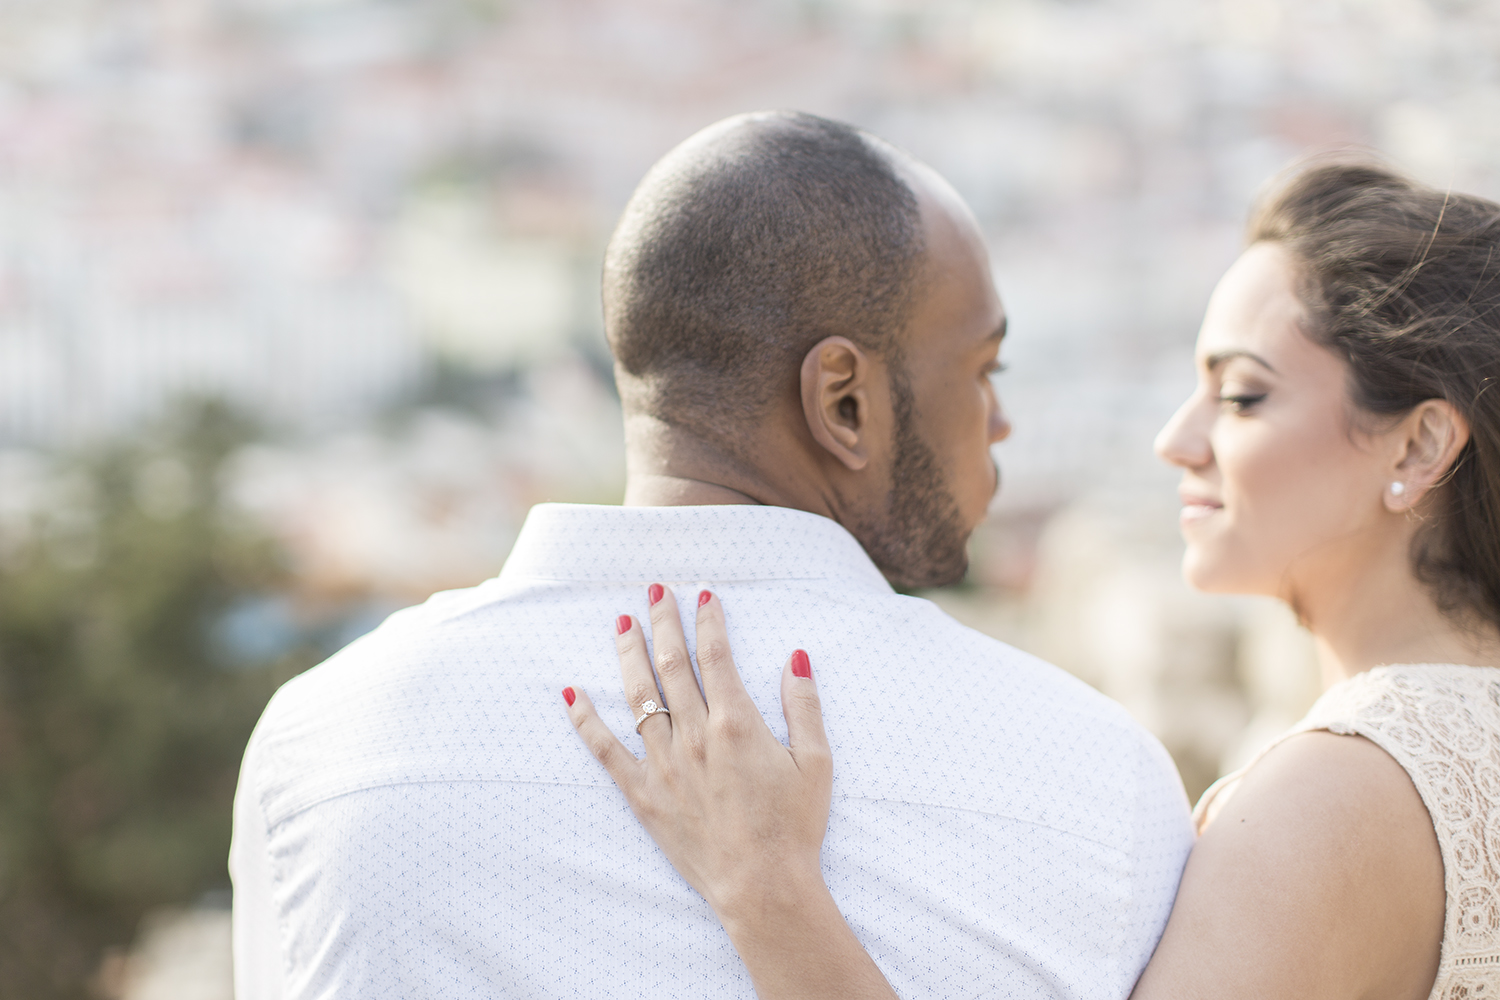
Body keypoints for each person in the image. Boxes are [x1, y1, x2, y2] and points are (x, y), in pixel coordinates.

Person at [229, 110, 1193, 999]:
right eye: (984, 369)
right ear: (843, 402)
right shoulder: (1096, 782)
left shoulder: (321, 747)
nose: (1003, 420)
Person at [565, 160, 1500, 999]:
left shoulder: (1338, 798)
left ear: (1419, 442)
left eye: (1243, 395)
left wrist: (762, 888)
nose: (1176, 440)